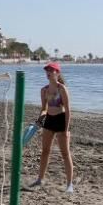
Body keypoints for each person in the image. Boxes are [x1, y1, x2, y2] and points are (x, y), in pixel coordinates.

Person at [31, 62, 75, 192]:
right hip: (49, 121)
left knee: (65, 154)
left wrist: (66, 130)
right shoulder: (43, 90)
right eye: (47, 70)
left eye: (51, 70)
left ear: (57, 73)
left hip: (61, 121)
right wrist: (40, 119)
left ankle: (69, 185)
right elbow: (44, 109)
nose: (48, 72)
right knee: (45, 151)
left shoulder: (62, 89)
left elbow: (68, 110)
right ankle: (40, 179)